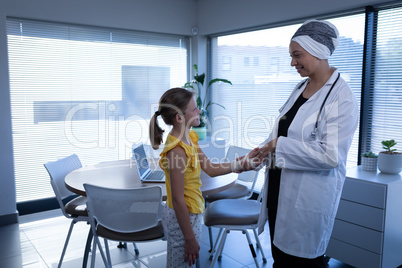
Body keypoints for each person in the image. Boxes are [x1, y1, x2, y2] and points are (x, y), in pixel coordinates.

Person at [254, 20, 359, 267]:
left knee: (301, 263)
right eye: (291, 56)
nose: (292, 63)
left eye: (297, 55)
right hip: (278, 192)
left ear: (318, 50)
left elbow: (330, 156)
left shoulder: (342, 98)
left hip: (306, 202)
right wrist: (261, 151)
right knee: (280, 260)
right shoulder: (301, 87)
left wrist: (277, 145)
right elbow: (283, 131)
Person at [149, 87, 260, 268]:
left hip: (191, 211)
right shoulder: (176, 151)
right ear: (179, 118)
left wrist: (239, 165)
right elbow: (177, 200)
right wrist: (190, 238)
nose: (199, 111)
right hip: (181, 217)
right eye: (194, 109)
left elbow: (210, 168)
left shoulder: (189, 138)